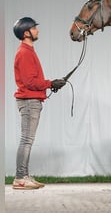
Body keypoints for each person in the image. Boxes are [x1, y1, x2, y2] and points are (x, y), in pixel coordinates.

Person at [12, 17, 66, 189]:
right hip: (29, 102)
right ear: (26, 32)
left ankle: (24, 175)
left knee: (27, 139)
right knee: (26, 140)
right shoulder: (24, 53)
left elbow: (32, 81)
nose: (38, 31)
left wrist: (51, 84)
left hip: (31, 100)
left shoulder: (28, 51)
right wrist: (50, 83)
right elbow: (29, 82)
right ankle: (20, 178)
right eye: (34, 28)